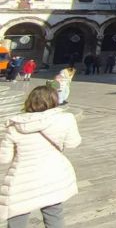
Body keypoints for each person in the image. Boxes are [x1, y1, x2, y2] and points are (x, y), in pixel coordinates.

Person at [0, 85, 82, 226]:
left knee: (16, 218)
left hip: (22, 179)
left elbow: (4, 158)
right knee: (54, 216)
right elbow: (72, 144)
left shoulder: (14, 125)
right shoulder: (65, 119)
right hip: (53, 175)